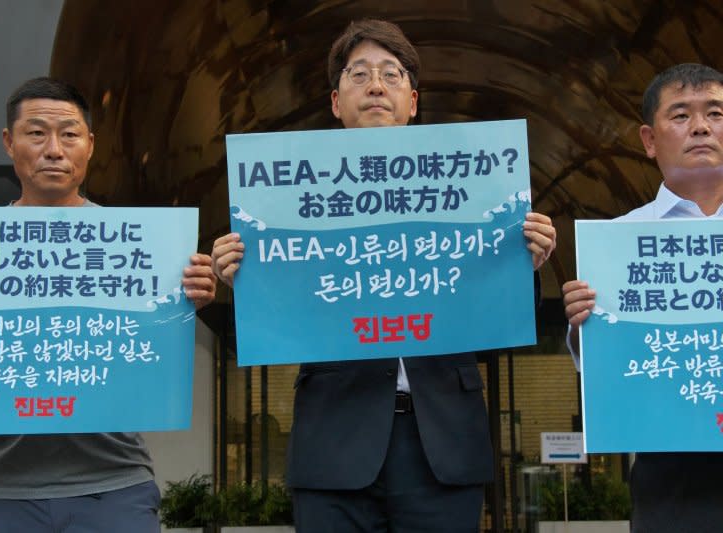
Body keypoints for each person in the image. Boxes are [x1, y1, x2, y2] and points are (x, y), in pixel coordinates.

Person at [212, 20, 556, 532]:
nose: (376, 85)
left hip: (443, 443)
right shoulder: (285, 198)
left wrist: (524, 264)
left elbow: (499, 333)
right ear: (335, 101)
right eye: (360, 74)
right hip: (335, 444)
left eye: (391, 74)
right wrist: (239, 280)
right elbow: (258, 337)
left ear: (413, 102)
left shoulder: (471, 186)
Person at [0, 77, 217, 533]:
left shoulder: (142, 249)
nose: (53, 149)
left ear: (90, 145)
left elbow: (152, 354)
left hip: (114, 484)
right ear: (9, 142)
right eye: (36, 132)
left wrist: (187, 302)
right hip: (4, 489)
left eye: (69, 134)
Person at [562, 63, 723, 533]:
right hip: (671, 476)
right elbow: (609, 374)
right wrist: (580, 326)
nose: (700, 126)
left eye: (715, 112)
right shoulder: (617, 241)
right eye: (680, 115)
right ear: (650, 140)